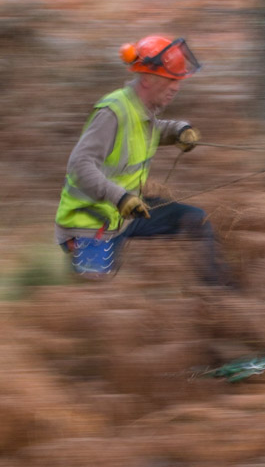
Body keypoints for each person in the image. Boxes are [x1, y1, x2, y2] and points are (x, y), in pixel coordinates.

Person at [55, 34, 236, 288]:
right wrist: (120, 197)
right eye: (172, 79)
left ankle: (219, 297)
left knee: (195, 221)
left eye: (179, 80)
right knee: (95, 296)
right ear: (148, 78)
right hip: (93, 223)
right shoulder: (113, 112)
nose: (177, 86)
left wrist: (179, 131)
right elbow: (80, 165)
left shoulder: (141, 110)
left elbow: (148, 131)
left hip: (127, 213)